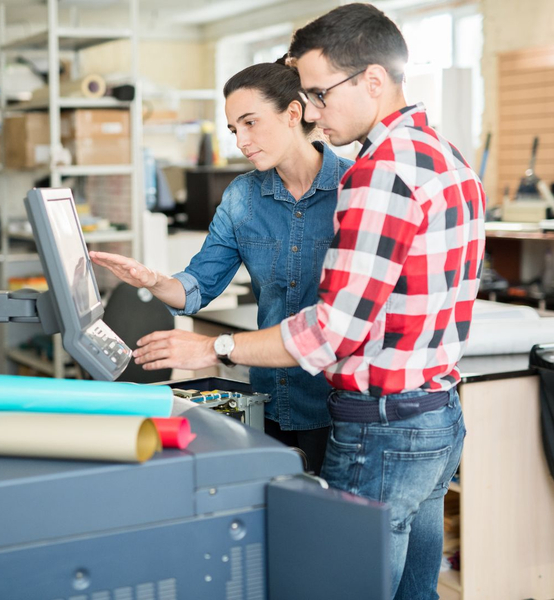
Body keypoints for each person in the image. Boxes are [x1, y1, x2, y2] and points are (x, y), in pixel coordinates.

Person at [131, 4, 487, 599]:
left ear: (373, 80)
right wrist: (159, 284)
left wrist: (213, 346)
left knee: (336, 584)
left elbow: (330, 332)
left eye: (319, 93)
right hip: (435, 414)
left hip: (379, 426)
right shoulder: (446, 159)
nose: (316, 110)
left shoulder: (375, 175)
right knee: (414, 591)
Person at [91, 60, 353, 475]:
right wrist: (155, 280)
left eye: (250, 122)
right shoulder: (242, 197)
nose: (241, 141)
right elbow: (198, 287)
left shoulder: (355, 189)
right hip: (269, 398)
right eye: (234, 130)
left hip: (340, 406)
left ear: (292, 113)